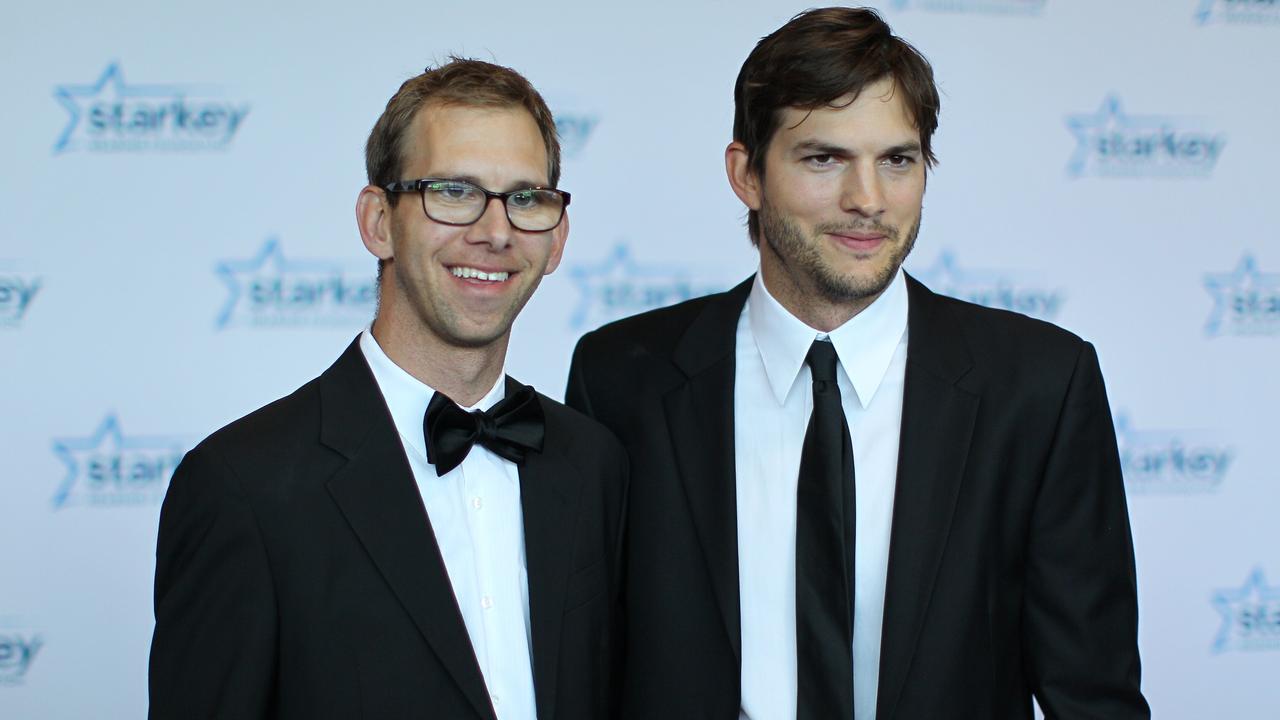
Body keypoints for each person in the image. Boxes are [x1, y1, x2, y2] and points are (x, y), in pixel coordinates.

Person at [566, 8, 1150, 720]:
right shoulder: (623, 378)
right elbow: (585, 668)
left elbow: (1093, 696)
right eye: (824, 158)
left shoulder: (1038, 386)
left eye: (897, 160)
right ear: (746, 173)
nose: (867, 201)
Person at [150, 58, 626, 720]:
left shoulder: (595, 463)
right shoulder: (243, 487)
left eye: (525, 199)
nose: (494, 232)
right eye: (453, 192)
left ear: (557, 237)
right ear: (378, 221)